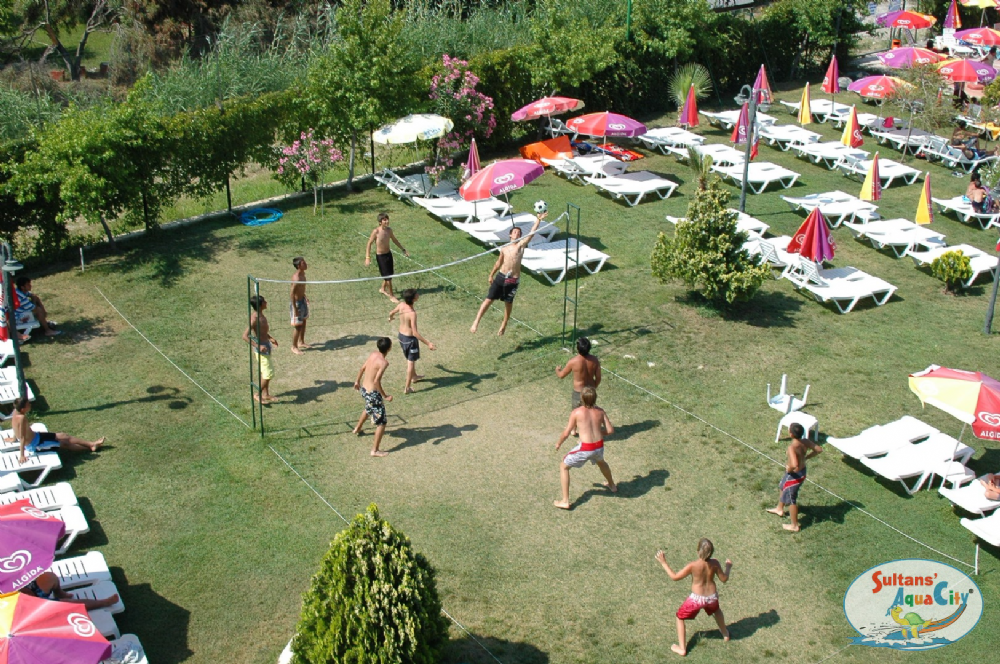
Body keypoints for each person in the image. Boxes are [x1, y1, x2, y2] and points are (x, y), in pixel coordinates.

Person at [470, 211, 545, 336]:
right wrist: (491, 275)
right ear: (510, 235)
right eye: (515, 232)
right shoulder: (504, 248)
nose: (517, 234)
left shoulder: (520, 246)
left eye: (519, 233)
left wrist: (538, 220)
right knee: (488, 300)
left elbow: (531, 233)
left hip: (512, 280)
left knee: (508, 303)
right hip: (500, 277)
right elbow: (498, 263)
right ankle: (476, 321)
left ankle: (504, 324)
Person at [655, 539, 733, 657]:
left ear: (698, 551)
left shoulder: (693, 565)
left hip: (696, 600)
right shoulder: (715, 563)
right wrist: (728, 567)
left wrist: (663, 563)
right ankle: (725, 634)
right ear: (711, 552)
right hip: (711, 597)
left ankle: (682, 649)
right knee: (717, 611)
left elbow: (675, 577)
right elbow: (724, 579)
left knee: (680, 617)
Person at [553, 386, 617, 509]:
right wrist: (598, 432)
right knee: (601, 462)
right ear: (595, 398)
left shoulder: (576, 412)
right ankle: (612, 485)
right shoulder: (600, 411)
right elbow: (610, 430)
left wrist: (558, 443)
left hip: (586, 448)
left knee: (563, 466)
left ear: (582, 398)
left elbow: (566, 432)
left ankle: (565, 501)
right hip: (599, 446)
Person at [13, 396, 104, 464]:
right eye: (28, 404)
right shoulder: (21, 418)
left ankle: (91, 444)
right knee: (64, 443)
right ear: (23, 409)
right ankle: (90, 447)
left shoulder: (16, 412)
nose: (30, 405)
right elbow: (22, 437)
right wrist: (22, 455)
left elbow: (16, 428)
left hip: (37, 436)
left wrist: (13, 438)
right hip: (36, 445)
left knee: (64, 436)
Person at [766, 422, 822, 532]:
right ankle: (779, 508)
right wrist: (807, 457)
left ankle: (794, 525)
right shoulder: (805, 441)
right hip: (801, 472)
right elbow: (819, 449)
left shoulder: (792, 447)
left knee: (791, 499)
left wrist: (789, 469)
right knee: (782, 485)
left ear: (791, 434)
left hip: (795, 476)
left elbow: (795, 464)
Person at [388, 289, 436, 394]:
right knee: (410, 363)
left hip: (401, 337)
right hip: (410, 340)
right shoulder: (412, 313)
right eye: (416, 294)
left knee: (410, 359)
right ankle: (407, 388)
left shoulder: (401, 305)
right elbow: (415, 333)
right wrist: (428, 343)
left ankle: (414, 377)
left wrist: (390, 318)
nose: (418, 294)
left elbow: (391, 312)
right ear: (413, 299)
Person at [352, 337, 393, 457]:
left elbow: (362, 368)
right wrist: (385, 396)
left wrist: (357, 381)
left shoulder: (373, 354)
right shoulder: (384, 363)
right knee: (382, 422)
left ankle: (357, 428)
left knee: (368, 408)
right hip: (373, 394)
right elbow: (376, 381)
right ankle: (375, 450)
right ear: (389, 348)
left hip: (364, 389)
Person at [555, 336, 601, 435]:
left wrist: (557, 370)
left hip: (578, 392)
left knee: (576, 412)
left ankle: (573, 429)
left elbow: (561, 375)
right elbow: (598, 377)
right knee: (589, 410)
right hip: (590, 391)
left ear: (578, 348)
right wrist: (594, 387)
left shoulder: (573, 361)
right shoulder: (595, 360)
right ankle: (589, 429)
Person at [365, 213, 409, 303]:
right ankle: (392, 296)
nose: (387, 221)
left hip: (388, 254)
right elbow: (369, 243)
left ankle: (382, 289)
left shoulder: (389, 230)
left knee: (390, 274)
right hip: (381, 256)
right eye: (384, 220)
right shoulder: (376, 231)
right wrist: (367, 257)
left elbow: (394, 240)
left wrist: (403, 249)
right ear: (380, 222)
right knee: (388, 277)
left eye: (387, 219)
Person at [21, 571, 119, 611]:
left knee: (49, 577)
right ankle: (104, 603)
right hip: (29, 608)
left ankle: (59, 593)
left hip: (27, 592)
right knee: (70, 604)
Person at [243, 295, 278, 403]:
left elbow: (262, 331)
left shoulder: (261, 315)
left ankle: (266, 394)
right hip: (261, 350)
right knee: (268, 373)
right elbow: (245, 336)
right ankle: (257, 394)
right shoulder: (254, 319)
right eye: (264, 301)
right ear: (260, 305)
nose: (266, 302)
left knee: (265, 372)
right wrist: (258, 346)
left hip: (266, 346)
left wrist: (270, 338)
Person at [290, 257, 310, 355]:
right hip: (297, 303)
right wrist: (295, 308)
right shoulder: (296, 278)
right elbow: (292, 294)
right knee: (298, 326)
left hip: (302, 301)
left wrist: (305, 296)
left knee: (304, 321)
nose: (306, 264)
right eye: (303, 263)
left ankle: (301, 342)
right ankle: (294, 347)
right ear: (298, 266)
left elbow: (301, 289)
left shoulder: (303, 275)